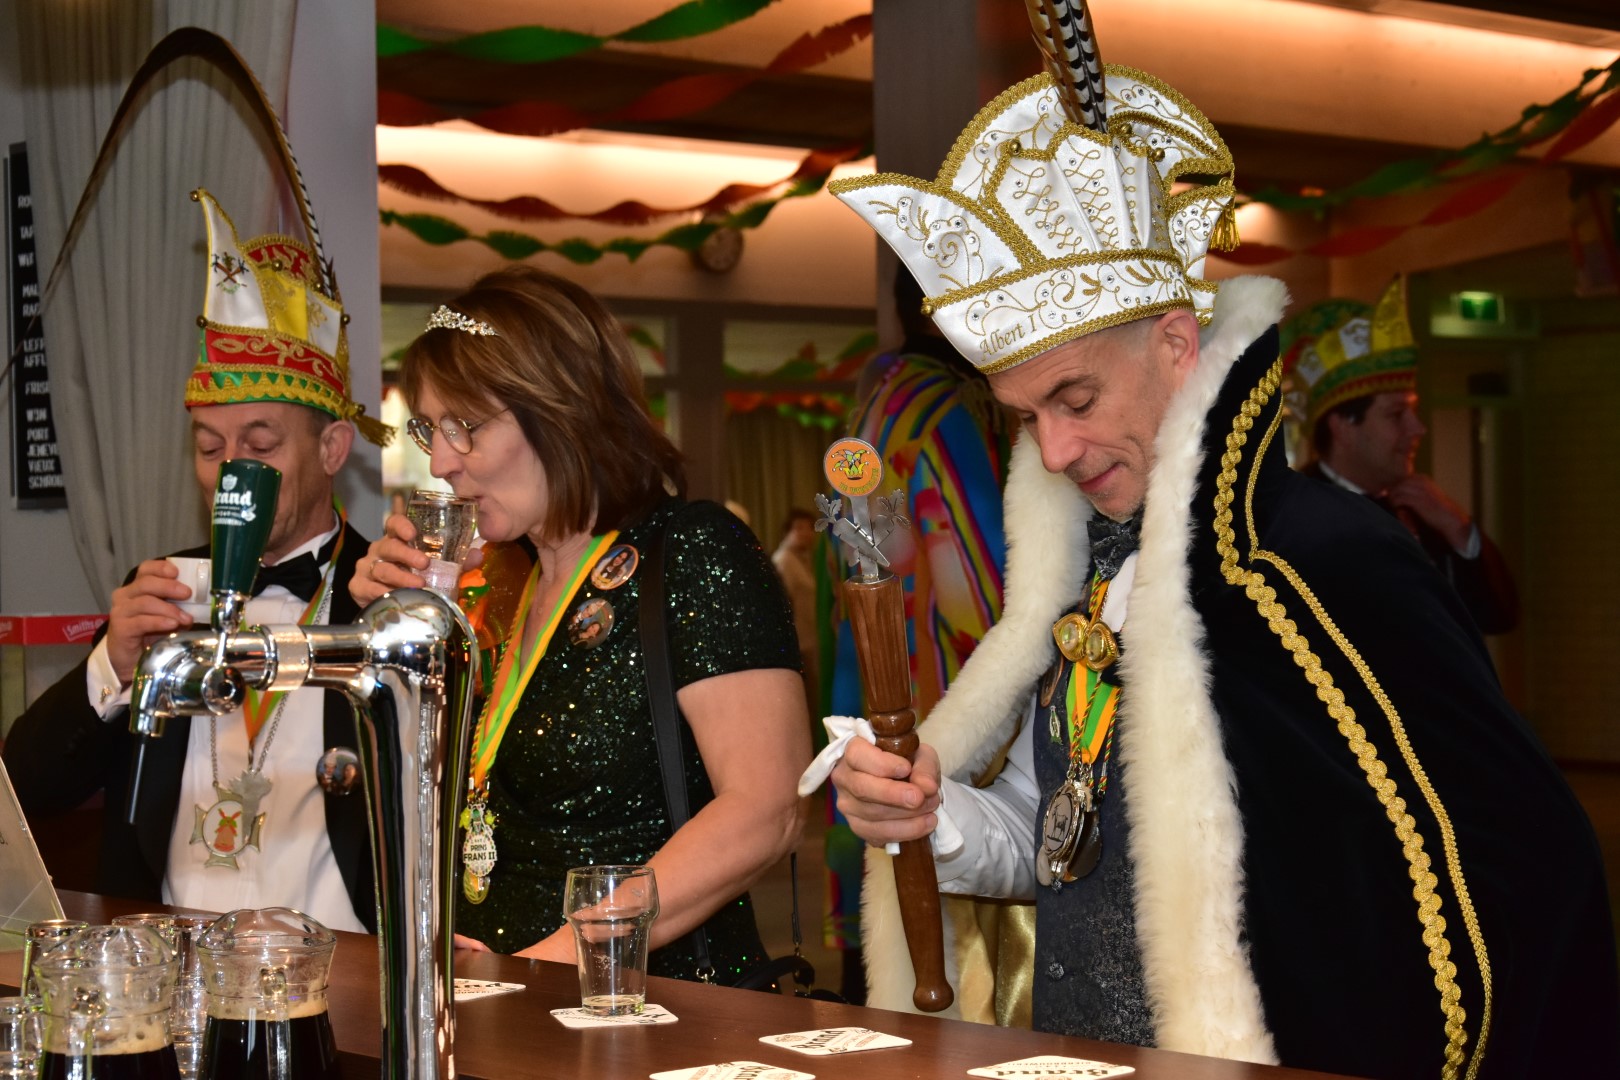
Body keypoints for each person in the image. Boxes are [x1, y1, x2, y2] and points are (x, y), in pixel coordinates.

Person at [814, 7, 1620, 1077]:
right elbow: (1070, 839)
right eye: (1025, 417)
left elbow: (1521, 869)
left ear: (1177, 344)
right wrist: (937, 815)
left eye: (1076, 399)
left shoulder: (1319, 564)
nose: (1054, 451)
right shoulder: (1088, 572)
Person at [351, 266, 810, 982]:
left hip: (642, 1005)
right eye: (429, 429)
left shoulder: (691, 549)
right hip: (495, 1000)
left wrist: (561, 959)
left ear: (561, 409)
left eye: (464, 427)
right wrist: (386, 635)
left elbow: (766, 810)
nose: (439, 462)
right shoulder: (496, 583)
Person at [3, 189, 392, 932]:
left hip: (337, 973)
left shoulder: (382, 602)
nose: (229, 473)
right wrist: (112, 667)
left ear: (332, 449)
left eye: (260, 445)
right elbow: (30, 789)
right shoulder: (164, 592)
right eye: (210, 448)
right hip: (172, 968)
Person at [823, 266, 1013, 1008]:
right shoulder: (947, 414)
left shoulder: (875, 407)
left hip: (868, 698)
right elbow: (982, 603)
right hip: (941, 725)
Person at [1283, 280, 1519, 633]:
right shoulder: (1294, 518)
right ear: (1343, 427)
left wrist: (1457, 528)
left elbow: (1496, 618)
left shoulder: (1421, 510)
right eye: (1396, 415)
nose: (1417, 429)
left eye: (1413, 412)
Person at [771, 509, 820, 717]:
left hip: (809, 641)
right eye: (799, 528)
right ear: (787, 532)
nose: (805, 533)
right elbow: (781, 605)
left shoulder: (806, 559)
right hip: (798, 645)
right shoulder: (784, 561)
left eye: (809, 528)